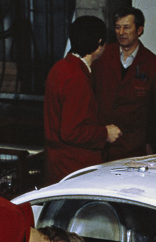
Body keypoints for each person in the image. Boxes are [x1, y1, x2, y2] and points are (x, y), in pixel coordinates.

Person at [93, 7, 156, 161]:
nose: (121, 32)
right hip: (102, 141)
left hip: (132, 145)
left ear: (139, 30)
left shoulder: (153, 63)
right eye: (117, 27)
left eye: (127, 27)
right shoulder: (101, 56)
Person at [44, 16, 121, 185]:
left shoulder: (60, 68)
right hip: (74, 171)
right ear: (99, 43)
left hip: (57, 168)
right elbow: (71, 131)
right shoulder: (76, 77)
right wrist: (105, 133)